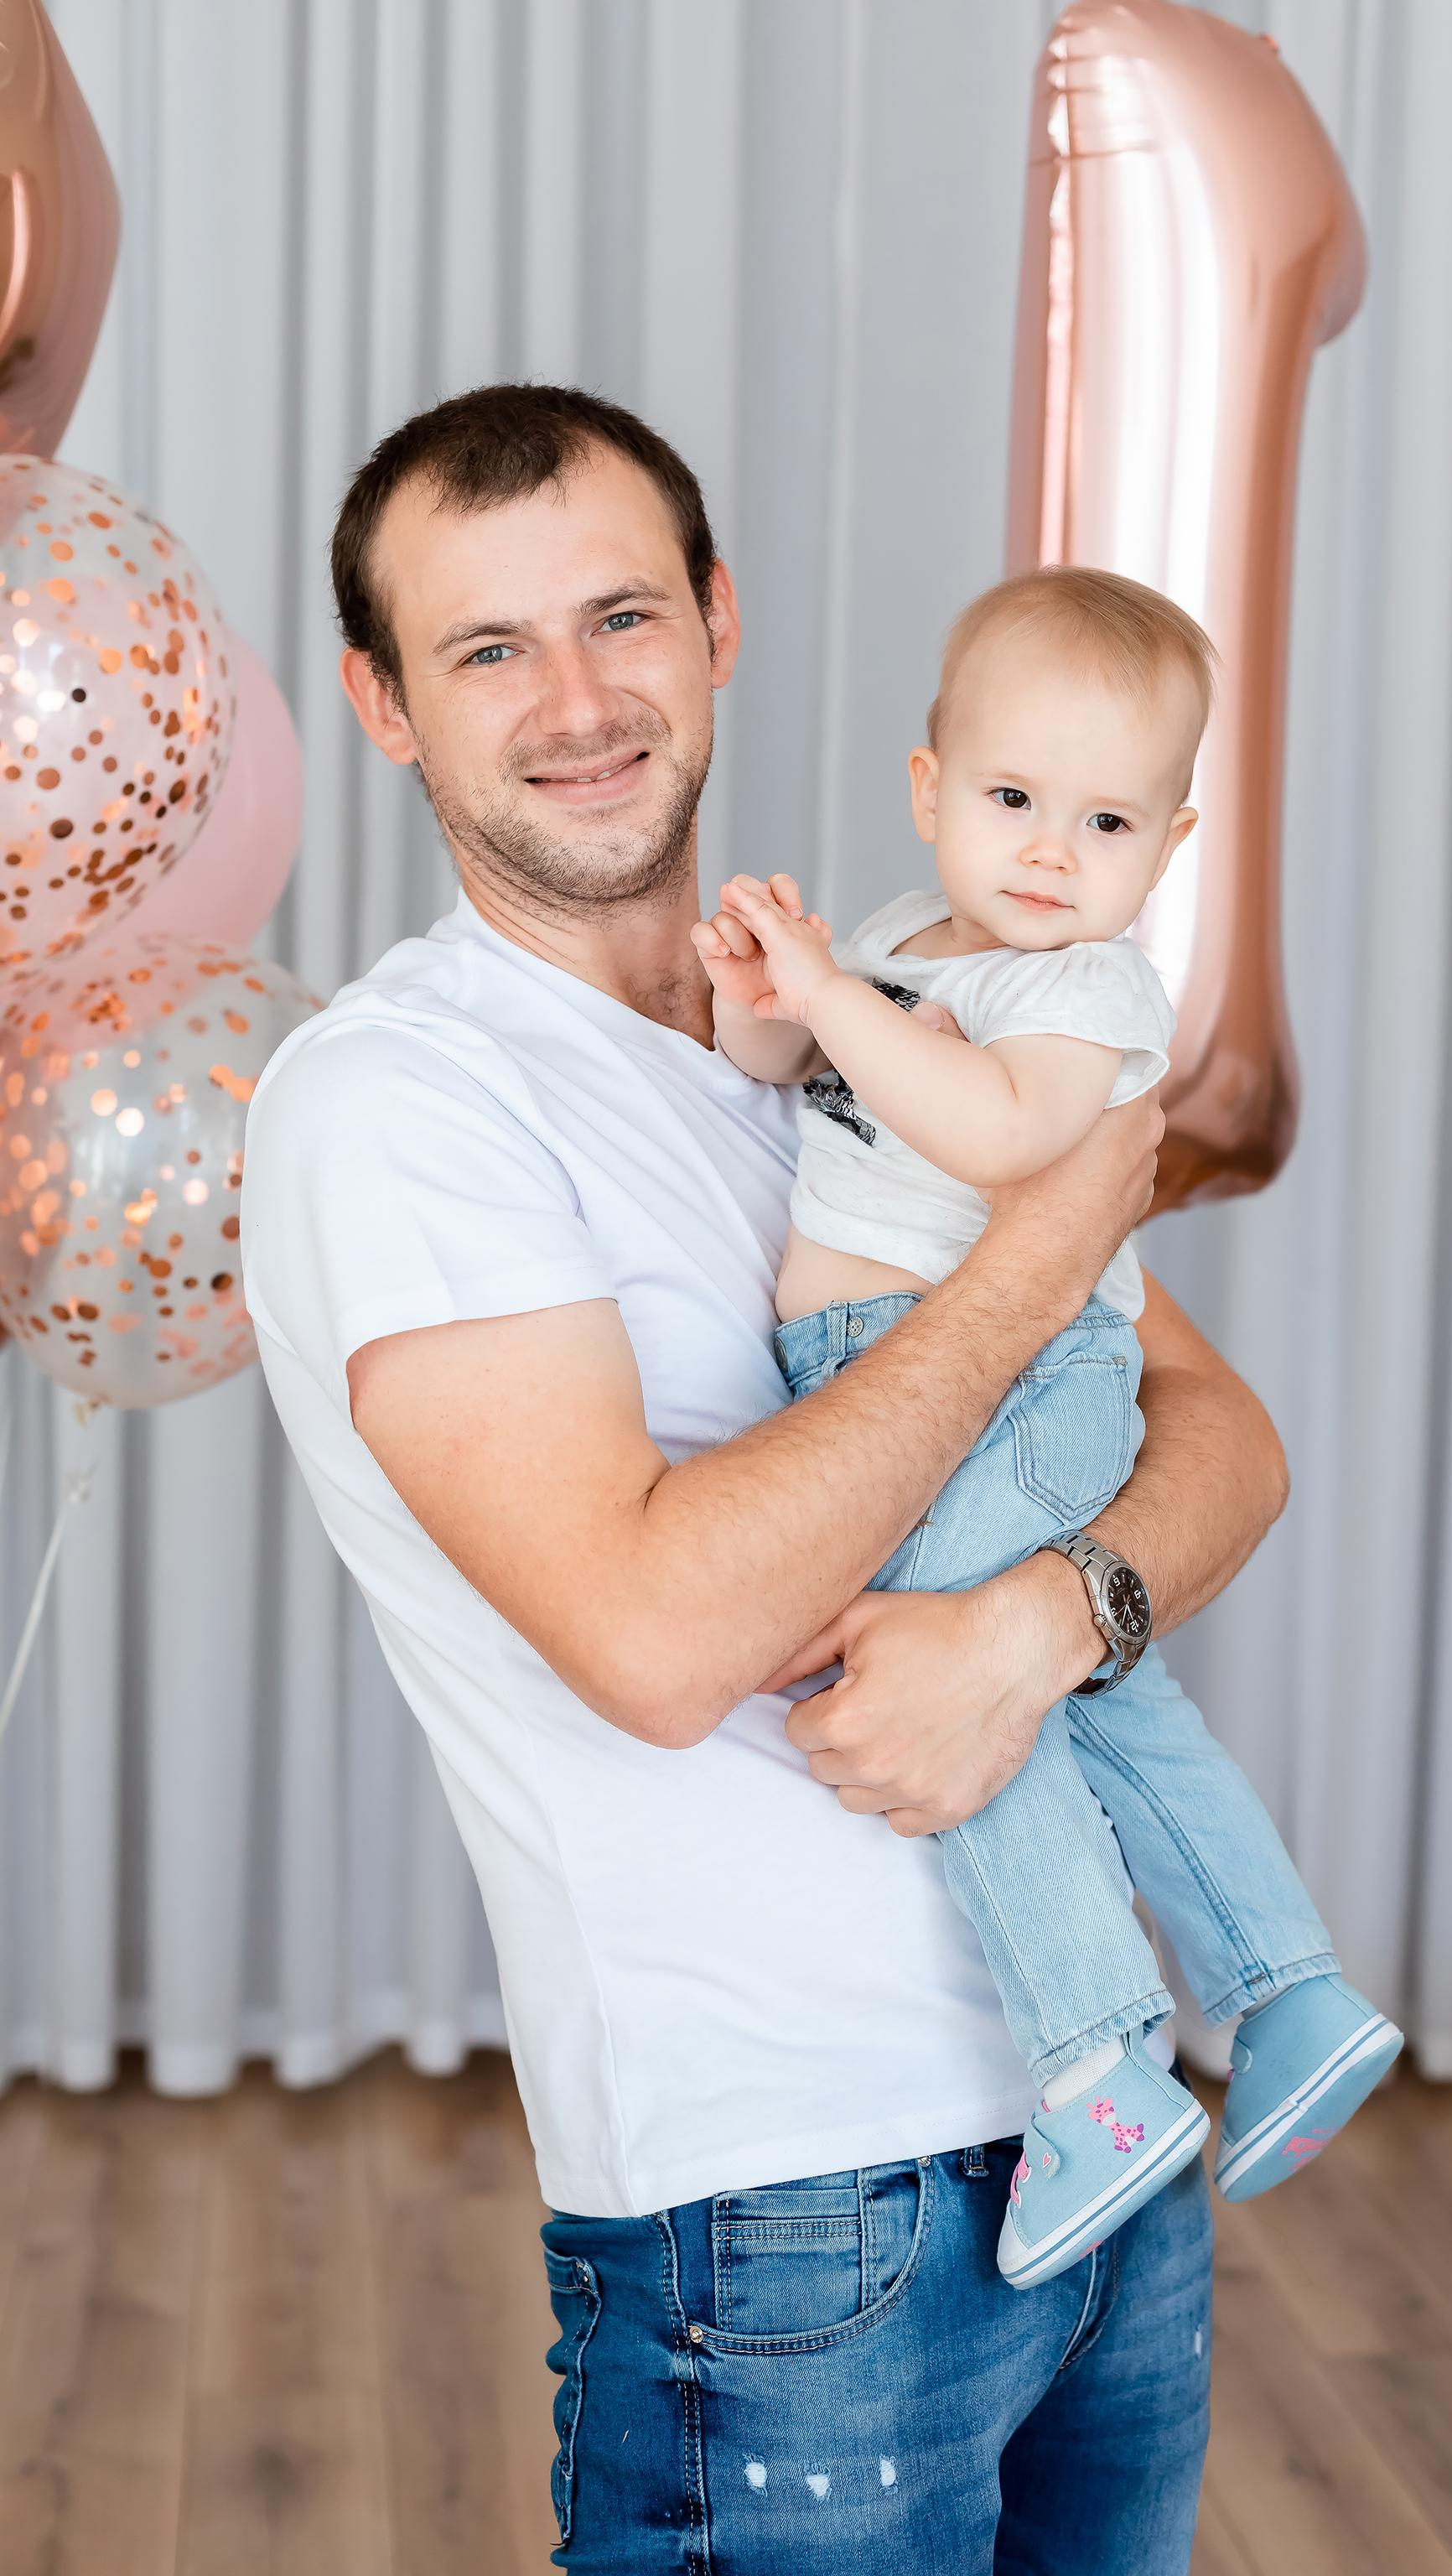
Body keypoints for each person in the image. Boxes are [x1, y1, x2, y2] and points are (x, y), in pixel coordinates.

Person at [241, 383, 1288, 2575]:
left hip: (1101, 2134)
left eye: (623, 616)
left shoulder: (865, 1015)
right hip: (790, 2216)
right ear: (383, 707)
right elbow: (656, 1636)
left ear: (720, 622)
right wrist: (1033, 1254)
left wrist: (1038, 1623)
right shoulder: (396, 1101)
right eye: (488, 651)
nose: (579, 701)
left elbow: (1228, 1440)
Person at [697, 567, 1399, 2293]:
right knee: (1104, 1692)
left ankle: (1097, 2066)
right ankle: (1286, 1991)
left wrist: (839, 1000)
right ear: (931, 790)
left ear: (1163, 851)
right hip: (909, 1368)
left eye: (1102, 821)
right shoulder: (902, 941)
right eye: (1011, 801)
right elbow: (787, 1068)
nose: (1046, 852)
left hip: (1015, 1383)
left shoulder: (1086, 996)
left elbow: (1002, 1136)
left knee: (945, 1670)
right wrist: (761, 989)